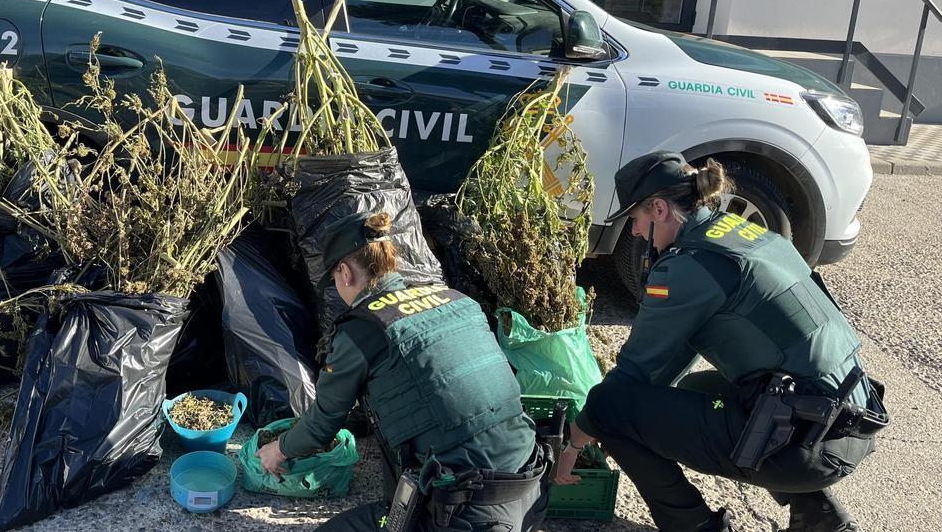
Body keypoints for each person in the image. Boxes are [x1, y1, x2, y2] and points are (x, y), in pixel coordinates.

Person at [553, 152, 889, 532]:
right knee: (693, 389)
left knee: (610, 406)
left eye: (635, 219)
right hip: (848, 420)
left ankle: (695, 526)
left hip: (806, 449)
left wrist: (574, 443)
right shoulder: (742, 233)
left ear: (659, 209)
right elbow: (669, 361)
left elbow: (633, 371)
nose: (633, 232)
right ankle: (819, 516)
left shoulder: (689, 265)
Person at [256, 210, 550, 531]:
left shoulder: (362, 331)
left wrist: (279, 449)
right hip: (530, 486)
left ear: (344, 272)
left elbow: (322, 425)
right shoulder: (457, 299)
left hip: (466, 511)